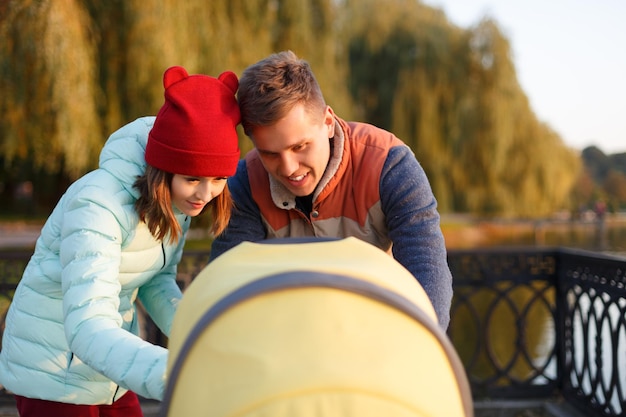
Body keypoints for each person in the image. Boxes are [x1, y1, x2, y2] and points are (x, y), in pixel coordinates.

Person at [0, 65, 241, 416]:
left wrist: (202, 337)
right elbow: (86, 326)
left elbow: (155, 281)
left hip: (108, 364)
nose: (206, 194)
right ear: (165, 167)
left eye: (219, 178)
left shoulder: (179, 202)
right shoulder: (97, 204)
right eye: (193, 178)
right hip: (52, 369)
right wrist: (176, 374)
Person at [210, 50, 453, 329]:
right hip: (285, 340)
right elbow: (227, 284)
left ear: (327, 122)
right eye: (270, 154)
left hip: (377, 333)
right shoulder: (245, 181)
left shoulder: (390, 165)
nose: (288, 168)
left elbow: (428, 270)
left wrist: (424, 348)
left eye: (299, 147)